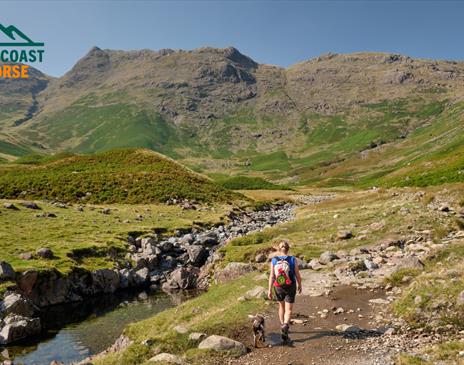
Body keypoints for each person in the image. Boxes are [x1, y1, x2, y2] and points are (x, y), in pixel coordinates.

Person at [267, 239, 302, 343]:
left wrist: (269, 290)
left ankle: (282, 324)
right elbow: (297, 274)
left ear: (279, 249)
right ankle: (286, 325)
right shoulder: (292, 259)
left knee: (281, 306)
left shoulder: (274, 260)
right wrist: (300, 284)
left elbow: (272, 276)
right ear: (288, 249)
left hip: (278, 286)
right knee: (289, 309)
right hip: (290, 285)